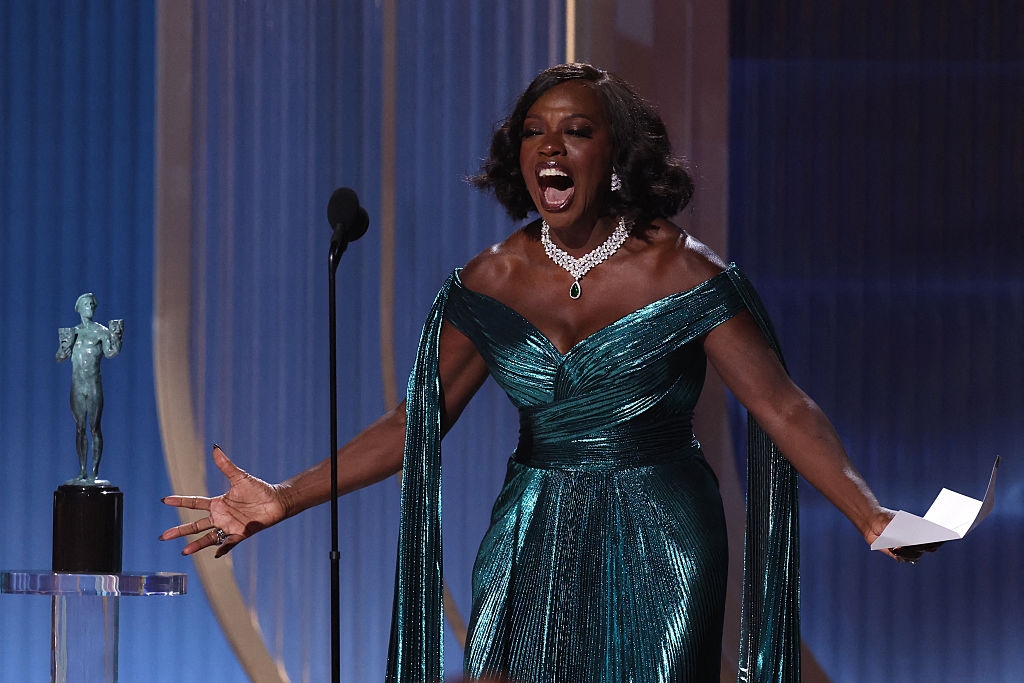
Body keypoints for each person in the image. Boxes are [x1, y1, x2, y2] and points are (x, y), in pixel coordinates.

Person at [160, 63, 926, 682]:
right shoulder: (489, 280)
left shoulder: (683, 271)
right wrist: (283, 497)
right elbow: (411, 424)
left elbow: (782, 407)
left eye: (576, 131)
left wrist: (869, 515)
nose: (550, 148)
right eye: (534, 132)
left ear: (616, 156)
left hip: (662, 530)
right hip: (534, 525)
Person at [56, 292, 123, 483]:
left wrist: (117, 338)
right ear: (79, 308)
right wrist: (63, 351)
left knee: (94, 428)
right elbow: (60, 357)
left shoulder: (101, 332)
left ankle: (94, 472)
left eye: (92, 304)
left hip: (93, 385)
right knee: (79, 428)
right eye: (86, 304)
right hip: (77, 385)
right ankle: (82, 471)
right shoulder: (73, 332)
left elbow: (110, 353)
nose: (90, 307)